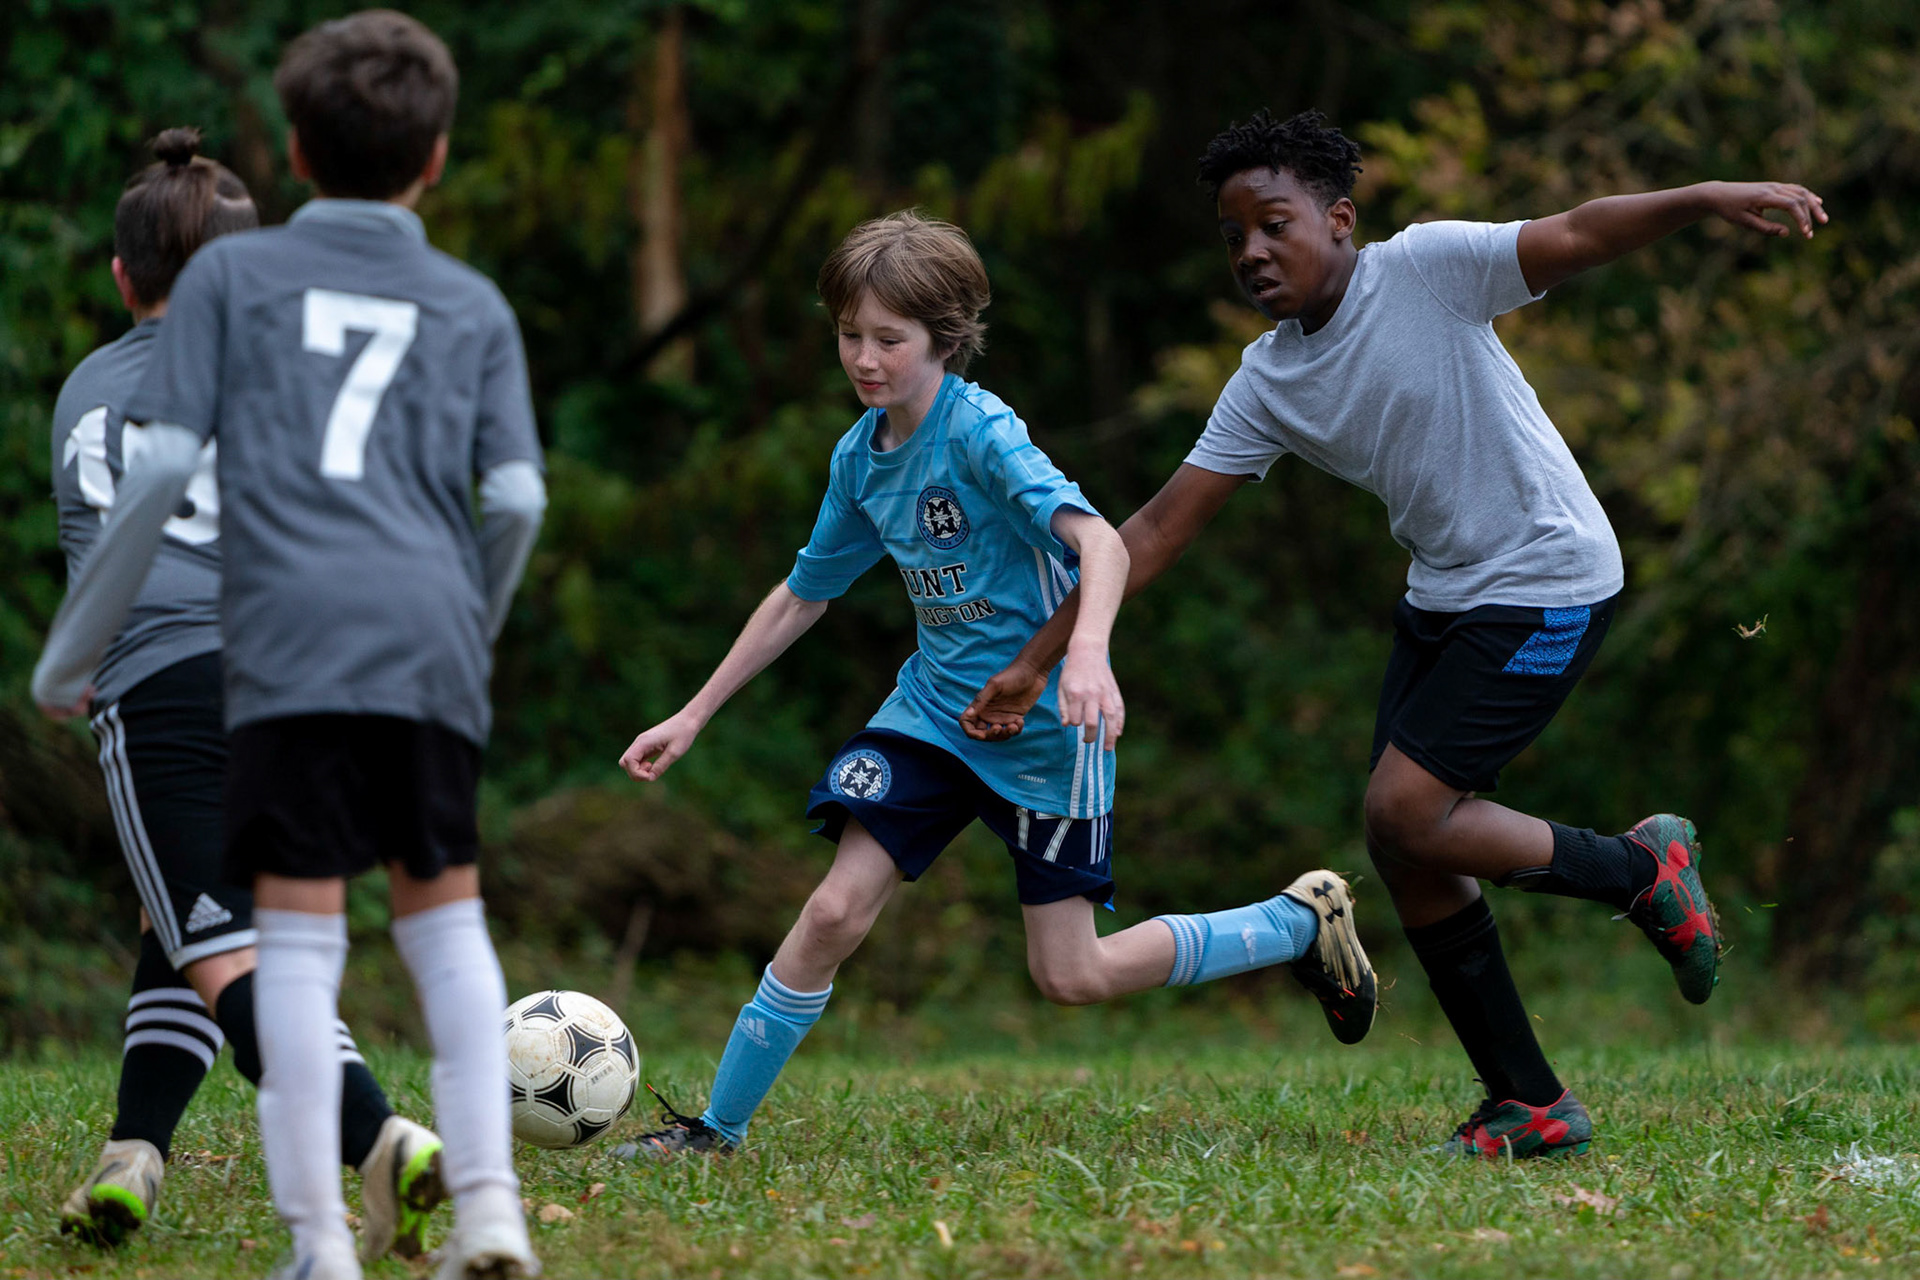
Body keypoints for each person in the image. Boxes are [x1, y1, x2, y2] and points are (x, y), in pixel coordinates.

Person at [962, 109, 1826, 1159]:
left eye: (1273, 224)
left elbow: (1580, 232)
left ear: (1339, 219)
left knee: (1406, 807)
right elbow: (1151, 529)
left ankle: (1640, 871)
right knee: (1402, 835)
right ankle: (1529, 1099)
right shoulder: (1269, 379)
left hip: (1550, 578)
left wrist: (1702, 198)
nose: (1252, 253)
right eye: (1234, 236)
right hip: (1448, 594)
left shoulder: (1426, 269)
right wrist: (1036, 655)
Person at [615, 211, 1377, 1159]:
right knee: (832, 909)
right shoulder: (860, 460)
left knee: (1071, 977)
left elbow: (1100, 540)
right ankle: (713, 1131)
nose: (864, 358)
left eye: (888, 339)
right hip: (932, 715)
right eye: (850, 335)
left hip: (1049, 738)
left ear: (944, 334)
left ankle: (1292, 926)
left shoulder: (979, 431)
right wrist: (693, 712)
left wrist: (1086, 654)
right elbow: (802, 596)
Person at [32, 12, 548, 1279]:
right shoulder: (466, 299)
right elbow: (516, 498)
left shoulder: (226, 302)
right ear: (435, 161)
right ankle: (489, 1211)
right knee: (441, 930)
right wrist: (465, 630)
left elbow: (158, 476)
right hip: (409, 639)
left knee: (267, 942)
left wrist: (65, 655)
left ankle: (336, 1216)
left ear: (303, 151)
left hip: (243, 658)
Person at [45, 126, 444, 1261]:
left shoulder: (87, 390)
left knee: (225, 952)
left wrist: (67, 667)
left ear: (123, 277)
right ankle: (135, 1150)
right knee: (188, 918)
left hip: (167, 680)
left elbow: (111, 555)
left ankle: (379, 1139)